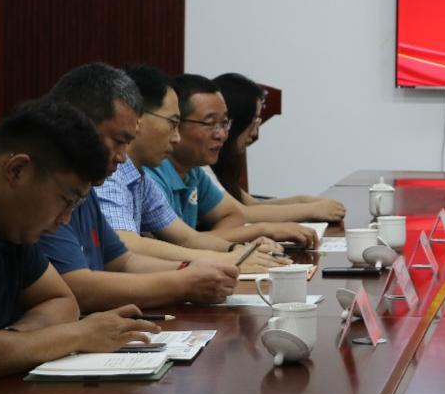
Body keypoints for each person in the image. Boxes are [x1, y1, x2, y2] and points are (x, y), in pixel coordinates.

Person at [0, 100, 160, 394]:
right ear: (17, 170)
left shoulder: (11, 220)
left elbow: (62, 301)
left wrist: (4, 342)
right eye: (66, 200)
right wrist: (75, 336)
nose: (66, 219)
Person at [39, 63, 238, 311]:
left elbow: (123, 261)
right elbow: (76, 287)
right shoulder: (46, 187)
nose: (123, 157)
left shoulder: (89, 185)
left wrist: (191, 270)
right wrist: (184, 283)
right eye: (118, 140)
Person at [97, 66, 284, 273]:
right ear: (137, 118)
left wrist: (238, 250)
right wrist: (227, 260)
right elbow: (127, 244)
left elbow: (187, 238)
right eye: (172, 123)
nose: (176, 137)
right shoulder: (109, 174)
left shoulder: (139, 177)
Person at [143, 74, 328, 246]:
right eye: (210, 123)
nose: (221, 134)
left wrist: (213, 244)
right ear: (176, 124)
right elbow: (180, 243)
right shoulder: (151, 174)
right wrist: (260, 231)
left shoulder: (194, 170)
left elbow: (233, 215)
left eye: (224, 123)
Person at [211, 72, 347, 220]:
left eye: (258, 121)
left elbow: (252, 204)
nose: (255, 132)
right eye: (253, 121)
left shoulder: (221, 166)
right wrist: (311, 210)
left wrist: (305, 200)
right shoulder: (204, 167)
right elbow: (242, 213)